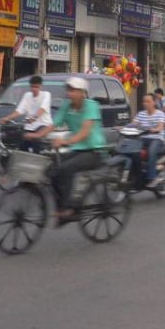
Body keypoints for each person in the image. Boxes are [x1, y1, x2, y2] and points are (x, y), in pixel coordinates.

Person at [51, 76, 108, 222]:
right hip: (77, 149)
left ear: (83, 92)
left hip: (94, 150)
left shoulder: (91, 106)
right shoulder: (66, 105)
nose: (70, 93)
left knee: (66, 169)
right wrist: (36, 134)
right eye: (69, 90)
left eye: (74, 90)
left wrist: (64, 141)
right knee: (51, 170)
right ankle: (61, 208)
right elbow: (54, 124)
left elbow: (84, 133)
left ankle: (70, 208)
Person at [0, 75, 54, 152]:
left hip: (43, 125)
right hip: (29, 126)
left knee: (36, 141)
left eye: (36, 87)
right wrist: (7, 118)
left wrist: (34, 118)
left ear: (41, 86)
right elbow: (19, 111)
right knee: (19, 141)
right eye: (32, 87)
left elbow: (42, 108)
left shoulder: (46, 94)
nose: (34, 89)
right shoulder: (27, 95)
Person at [129, 92, 165, 187]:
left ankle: (152, 177)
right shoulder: (141, 114)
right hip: (143, 138)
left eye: (148, 101)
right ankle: (137, 175)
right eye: (144, 101)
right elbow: (134, 124)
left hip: (157, 139)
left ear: (154, 102)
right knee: (132, 150)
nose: (145, 103)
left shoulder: (160, 114)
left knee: (151, 151)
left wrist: (155, 130)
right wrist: (123, 127)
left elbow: (160, 127)